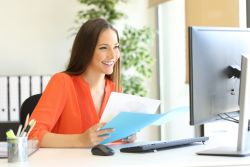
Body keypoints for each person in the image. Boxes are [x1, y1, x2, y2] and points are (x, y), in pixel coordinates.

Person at [29, 18, 135, 148]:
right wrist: (80, 140)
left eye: (116, 47)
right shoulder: (62, 82)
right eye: (103, 48)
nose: (113, 55)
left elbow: (110, 143)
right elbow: (32, 135)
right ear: (86, 51)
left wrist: (126, 136)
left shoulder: (116, 90)